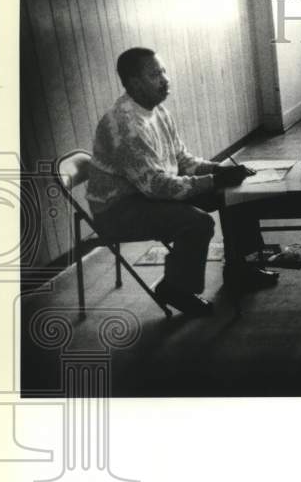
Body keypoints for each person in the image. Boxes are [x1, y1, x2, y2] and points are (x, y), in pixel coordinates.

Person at [86, 47, 279, 317]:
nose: (165, 79)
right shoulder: (124, 125)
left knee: (234, 192)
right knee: (196, 222)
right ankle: (175, 288)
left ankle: (239, 268)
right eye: (155, 74)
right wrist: (213, 179)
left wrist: (220, 171)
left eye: (163, 71)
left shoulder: (157, 111)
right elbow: (157, 187)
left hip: (146, 192)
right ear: (133, 83)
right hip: (118, 208)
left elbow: (181, 159)